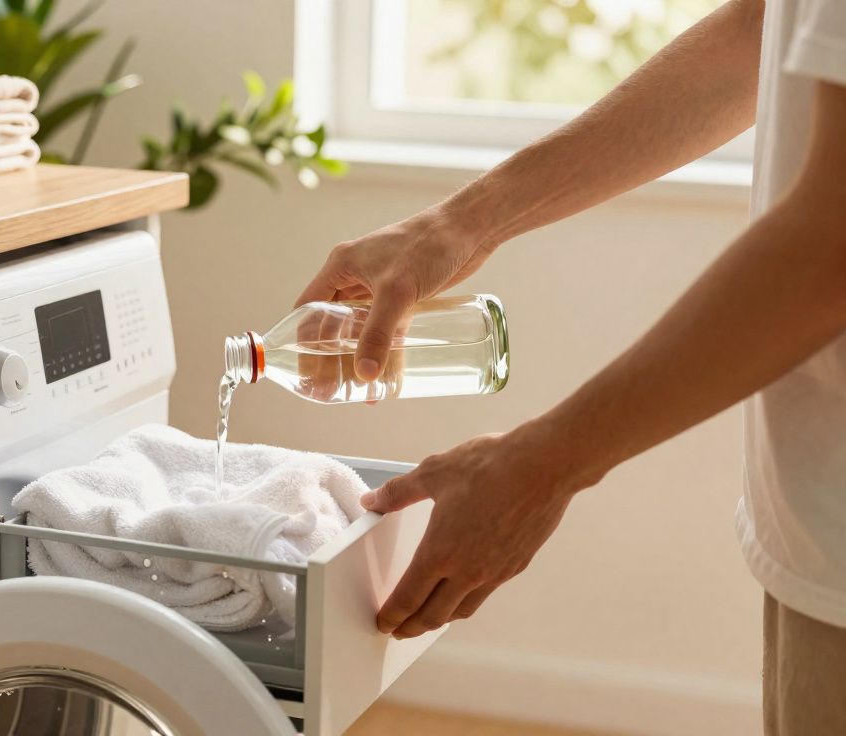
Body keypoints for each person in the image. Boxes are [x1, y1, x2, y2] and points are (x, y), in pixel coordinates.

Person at [294, 0, 846, 731]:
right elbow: (763, 26)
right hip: (814, 522)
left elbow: (828, 254)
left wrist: (545, 464)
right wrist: (461, 223)